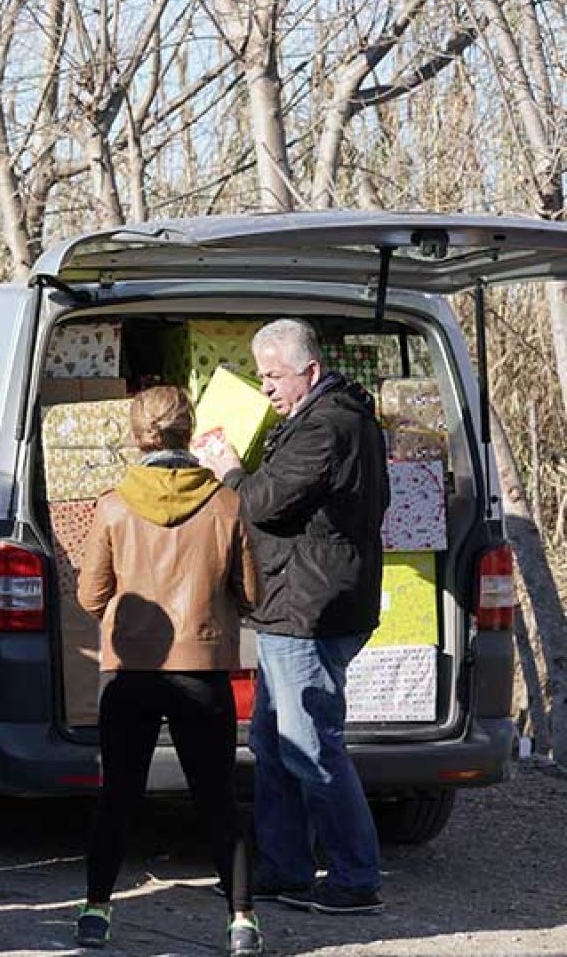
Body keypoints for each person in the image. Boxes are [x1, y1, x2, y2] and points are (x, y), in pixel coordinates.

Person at [197, 318, 389, 916]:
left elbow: (260, 503)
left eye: (274, 376)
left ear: (309, 370)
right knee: (274, 742)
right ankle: (285, 869)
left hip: (308, 607)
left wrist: (227, 467)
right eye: (261, 376)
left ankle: (356, 878)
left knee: (309, 743)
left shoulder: (326, 427)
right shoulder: (325, 416)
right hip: (303, 599)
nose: (267, 387)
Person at [75, 386, 262, 954]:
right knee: (217, 798)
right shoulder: (226, 504)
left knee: (119, 796)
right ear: (190, 431)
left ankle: (97, 912)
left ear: (138, 436)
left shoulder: (113, 504)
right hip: (203, 671)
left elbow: (90, 595)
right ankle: (242, 921)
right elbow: (251, 593)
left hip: (132, 670)